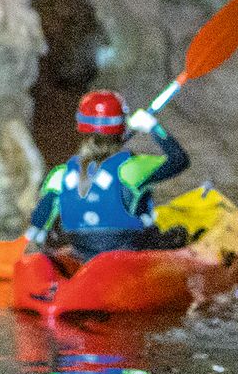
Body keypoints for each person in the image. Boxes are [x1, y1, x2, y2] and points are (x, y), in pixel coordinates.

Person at [26, 90, 191, 260]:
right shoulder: (131, 168)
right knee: (178, 233)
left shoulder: (60, 174)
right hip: (130, 254)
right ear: (122, 127)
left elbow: (37, 225)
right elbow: (179, 160)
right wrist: (153, 127)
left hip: (83, 254)